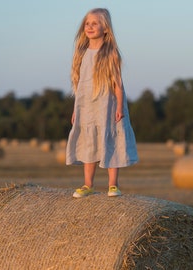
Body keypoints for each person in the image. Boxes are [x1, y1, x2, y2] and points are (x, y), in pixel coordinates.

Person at [66, 8, 138, 198]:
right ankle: (88, 184)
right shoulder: (81, 52)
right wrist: (76, 110)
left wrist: (120, 107)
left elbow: (118, 84)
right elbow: (78, 85)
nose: (89, 27)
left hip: (108, 106)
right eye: (87, 23)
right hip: (87, 106)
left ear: (105, 28)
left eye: (94, 23)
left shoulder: (110, 53)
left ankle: (113, 184)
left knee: (111, 141)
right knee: (89, 143)